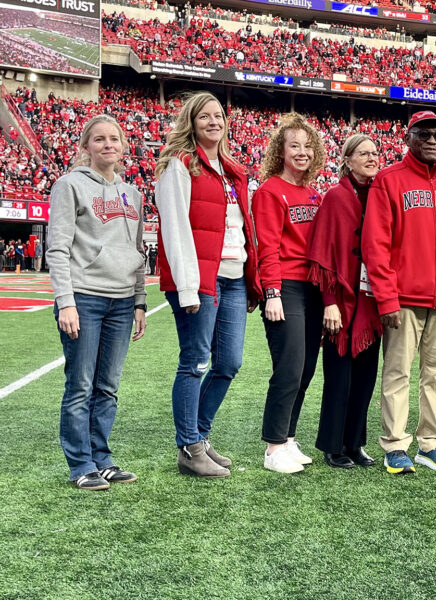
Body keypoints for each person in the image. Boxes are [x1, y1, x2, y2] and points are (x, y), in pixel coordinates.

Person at [155, 92, 262, 478]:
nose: (213, 122)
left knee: (229, 363)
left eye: (219, 115)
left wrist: (252, 280)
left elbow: (241, 228)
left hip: (233, 277)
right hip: (199, 279)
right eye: (205, 116)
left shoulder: (232, 170)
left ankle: (199, 436)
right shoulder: (179, 164)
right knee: (195, 362)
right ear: (191, 121)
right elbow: (175, 228)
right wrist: (187, 287)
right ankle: (189, 445)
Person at [361, 110, 436, 474]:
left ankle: (430, 442)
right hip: (404, 298)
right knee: (397, 373)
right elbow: (375, 245)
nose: (434, 141)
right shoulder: (389, 180)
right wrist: (387, 297)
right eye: (425, 134)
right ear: (408, 137)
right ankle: (395, 444)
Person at [46, 114, 146, 490]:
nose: (108, 145)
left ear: (123, 147)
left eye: (114, 139)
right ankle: (80, 464)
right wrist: (65, 301)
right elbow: (57, 248)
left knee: (108, 386)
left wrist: (139, 301)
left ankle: (101, 457)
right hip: (84, 297)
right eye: (99, 139)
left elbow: (137, 250)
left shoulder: (133, 193)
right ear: (86, 146)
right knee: (80, 385)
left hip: (122, 302)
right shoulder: (69, 185)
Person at [252, 114, 326, 473]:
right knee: (289, 368)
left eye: (307, 145)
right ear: (279, 151)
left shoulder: (313, 194)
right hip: (286, 287)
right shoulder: (269, 191)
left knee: (307, 368)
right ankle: (273, 446)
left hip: (313, 288)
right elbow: (267, 246)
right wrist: (272, 292)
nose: (302, 151)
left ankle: (289, 436)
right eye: (294, 145)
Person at [308, 133, 383, 469]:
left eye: (375, 153)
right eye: (363, 153)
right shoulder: (336, 197)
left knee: (366, 377)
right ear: (348, 159)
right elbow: (323, 253)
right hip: (341, 301)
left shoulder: (381, 196)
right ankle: (332, 444)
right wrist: (329, 301)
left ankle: (356, 443)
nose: (371, 158)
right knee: (339, 377)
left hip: (371, 302)